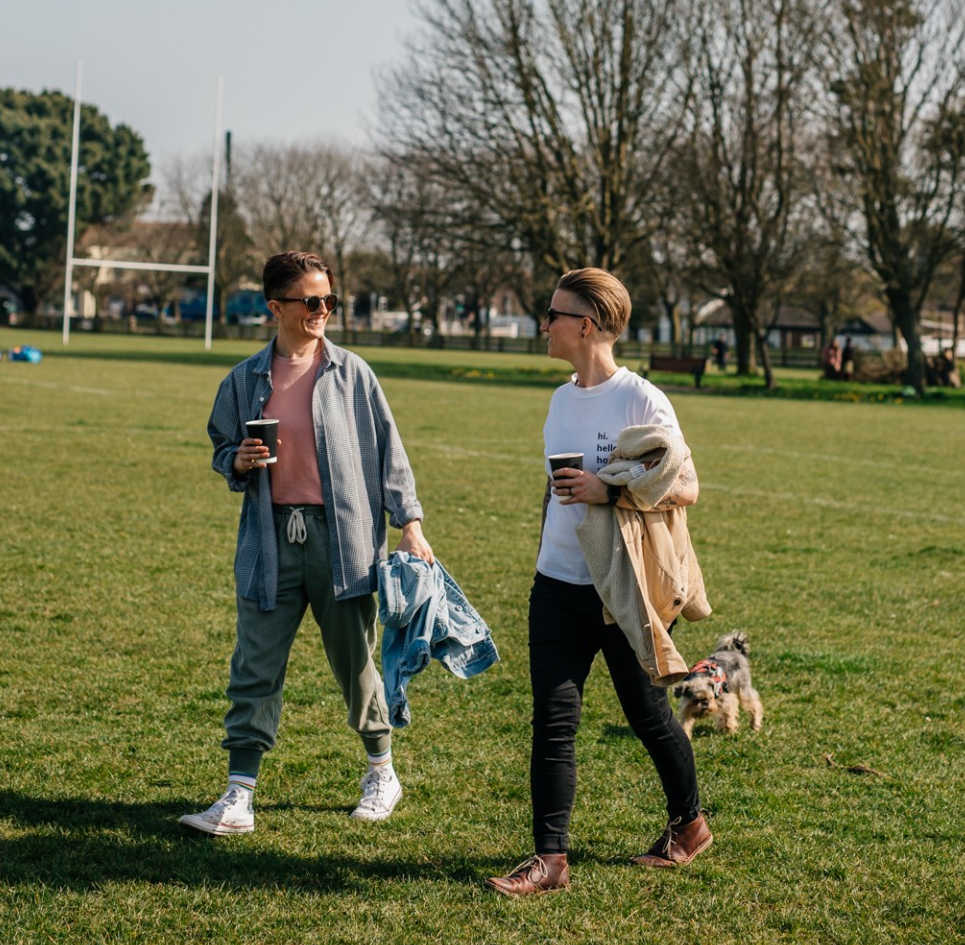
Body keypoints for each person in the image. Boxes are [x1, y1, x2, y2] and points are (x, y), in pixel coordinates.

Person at [181, 250, 434, 838]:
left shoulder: (353, 374)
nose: (323, 311)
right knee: (255, 666)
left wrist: (411, 521)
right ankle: (239, 795)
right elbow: (222, 446)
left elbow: (388, 452)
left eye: (329, 301)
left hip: (343, 542)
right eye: (311, 301)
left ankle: (381, 771)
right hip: (270, 542)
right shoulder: (243, 380)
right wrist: (236, 461)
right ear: (276, 308)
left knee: (357, 663)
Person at [487, 267, 709, 898]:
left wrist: (608, 489)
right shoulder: (560, 400)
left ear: (584, 325)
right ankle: (549, 860)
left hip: (623, 591)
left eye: (553, 314)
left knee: (648, 715)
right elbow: (552, 493)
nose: (544, 324)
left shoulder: (641, 400)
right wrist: (541, 556)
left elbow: (687, 487)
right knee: (552, 723)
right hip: (555, 586)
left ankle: (690, 824)